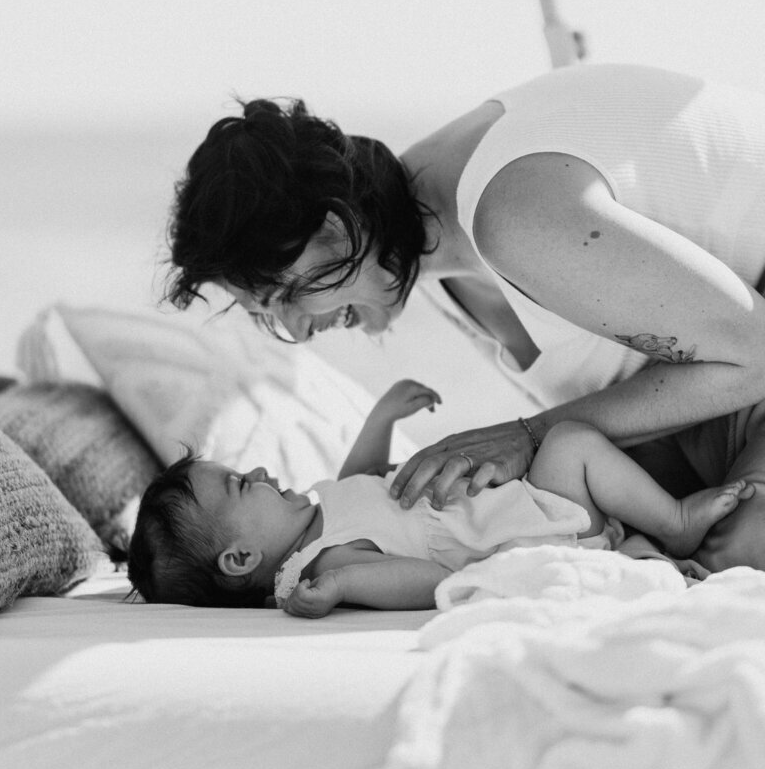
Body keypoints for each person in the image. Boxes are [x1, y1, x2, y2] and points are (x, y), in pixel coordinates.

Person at [164, 63, 765, 573]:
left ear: (334, 227)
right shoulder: (435, 257)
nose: (295, 332)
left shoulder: (509, 214)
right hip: (728, 399)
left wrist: (525, 436)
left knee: (736, 548)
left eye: (284, 295)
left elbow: (755, 352)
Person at [127, 379, 752, 616]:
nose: (260, 470)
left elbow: (363, 479)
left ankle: (652, 544)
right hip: (535, 531)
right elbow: (427, 580)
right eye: (242, 485)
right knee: (569, 442)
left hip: (532, 504)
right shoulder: (324, 565)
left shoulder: (319, 510)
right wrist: (344, 591)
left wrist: (379, 417)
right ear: (239, 559)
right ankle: (673, 525)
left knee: (569, 446)